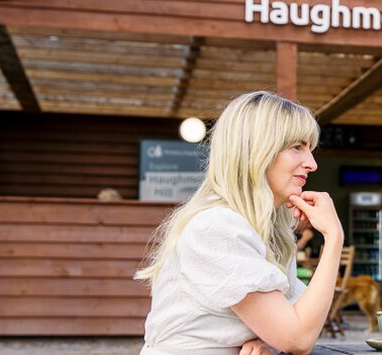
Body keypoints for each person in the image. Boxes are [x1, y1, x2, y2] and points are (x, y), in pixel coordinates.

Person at [135, 91, 344, 355]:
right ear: (257, 150)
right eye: (297, 147)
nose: (312, 163)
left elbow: (299, 321)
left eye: (310, 149)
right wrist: (334, 236)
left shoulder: (269, 231)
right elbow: (298, 337)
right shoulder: (217, 227)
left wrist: (270, 339)